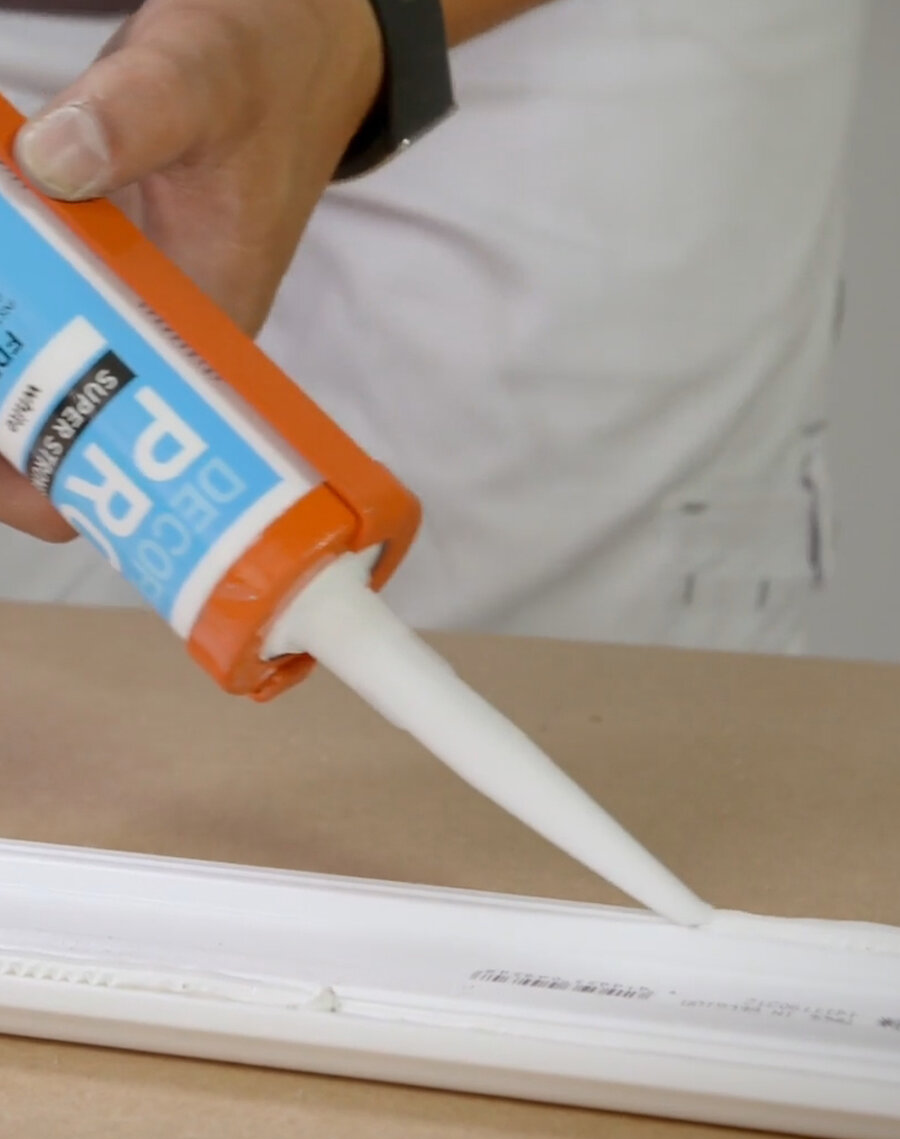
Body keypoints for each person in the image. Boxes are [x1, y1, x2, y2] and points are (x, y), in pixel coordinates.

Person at [0, 0, 868, 653]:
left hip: (568, 53)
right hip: (36, 67)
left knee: (571, 685)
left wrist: (340, 20)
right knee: (82, 705)